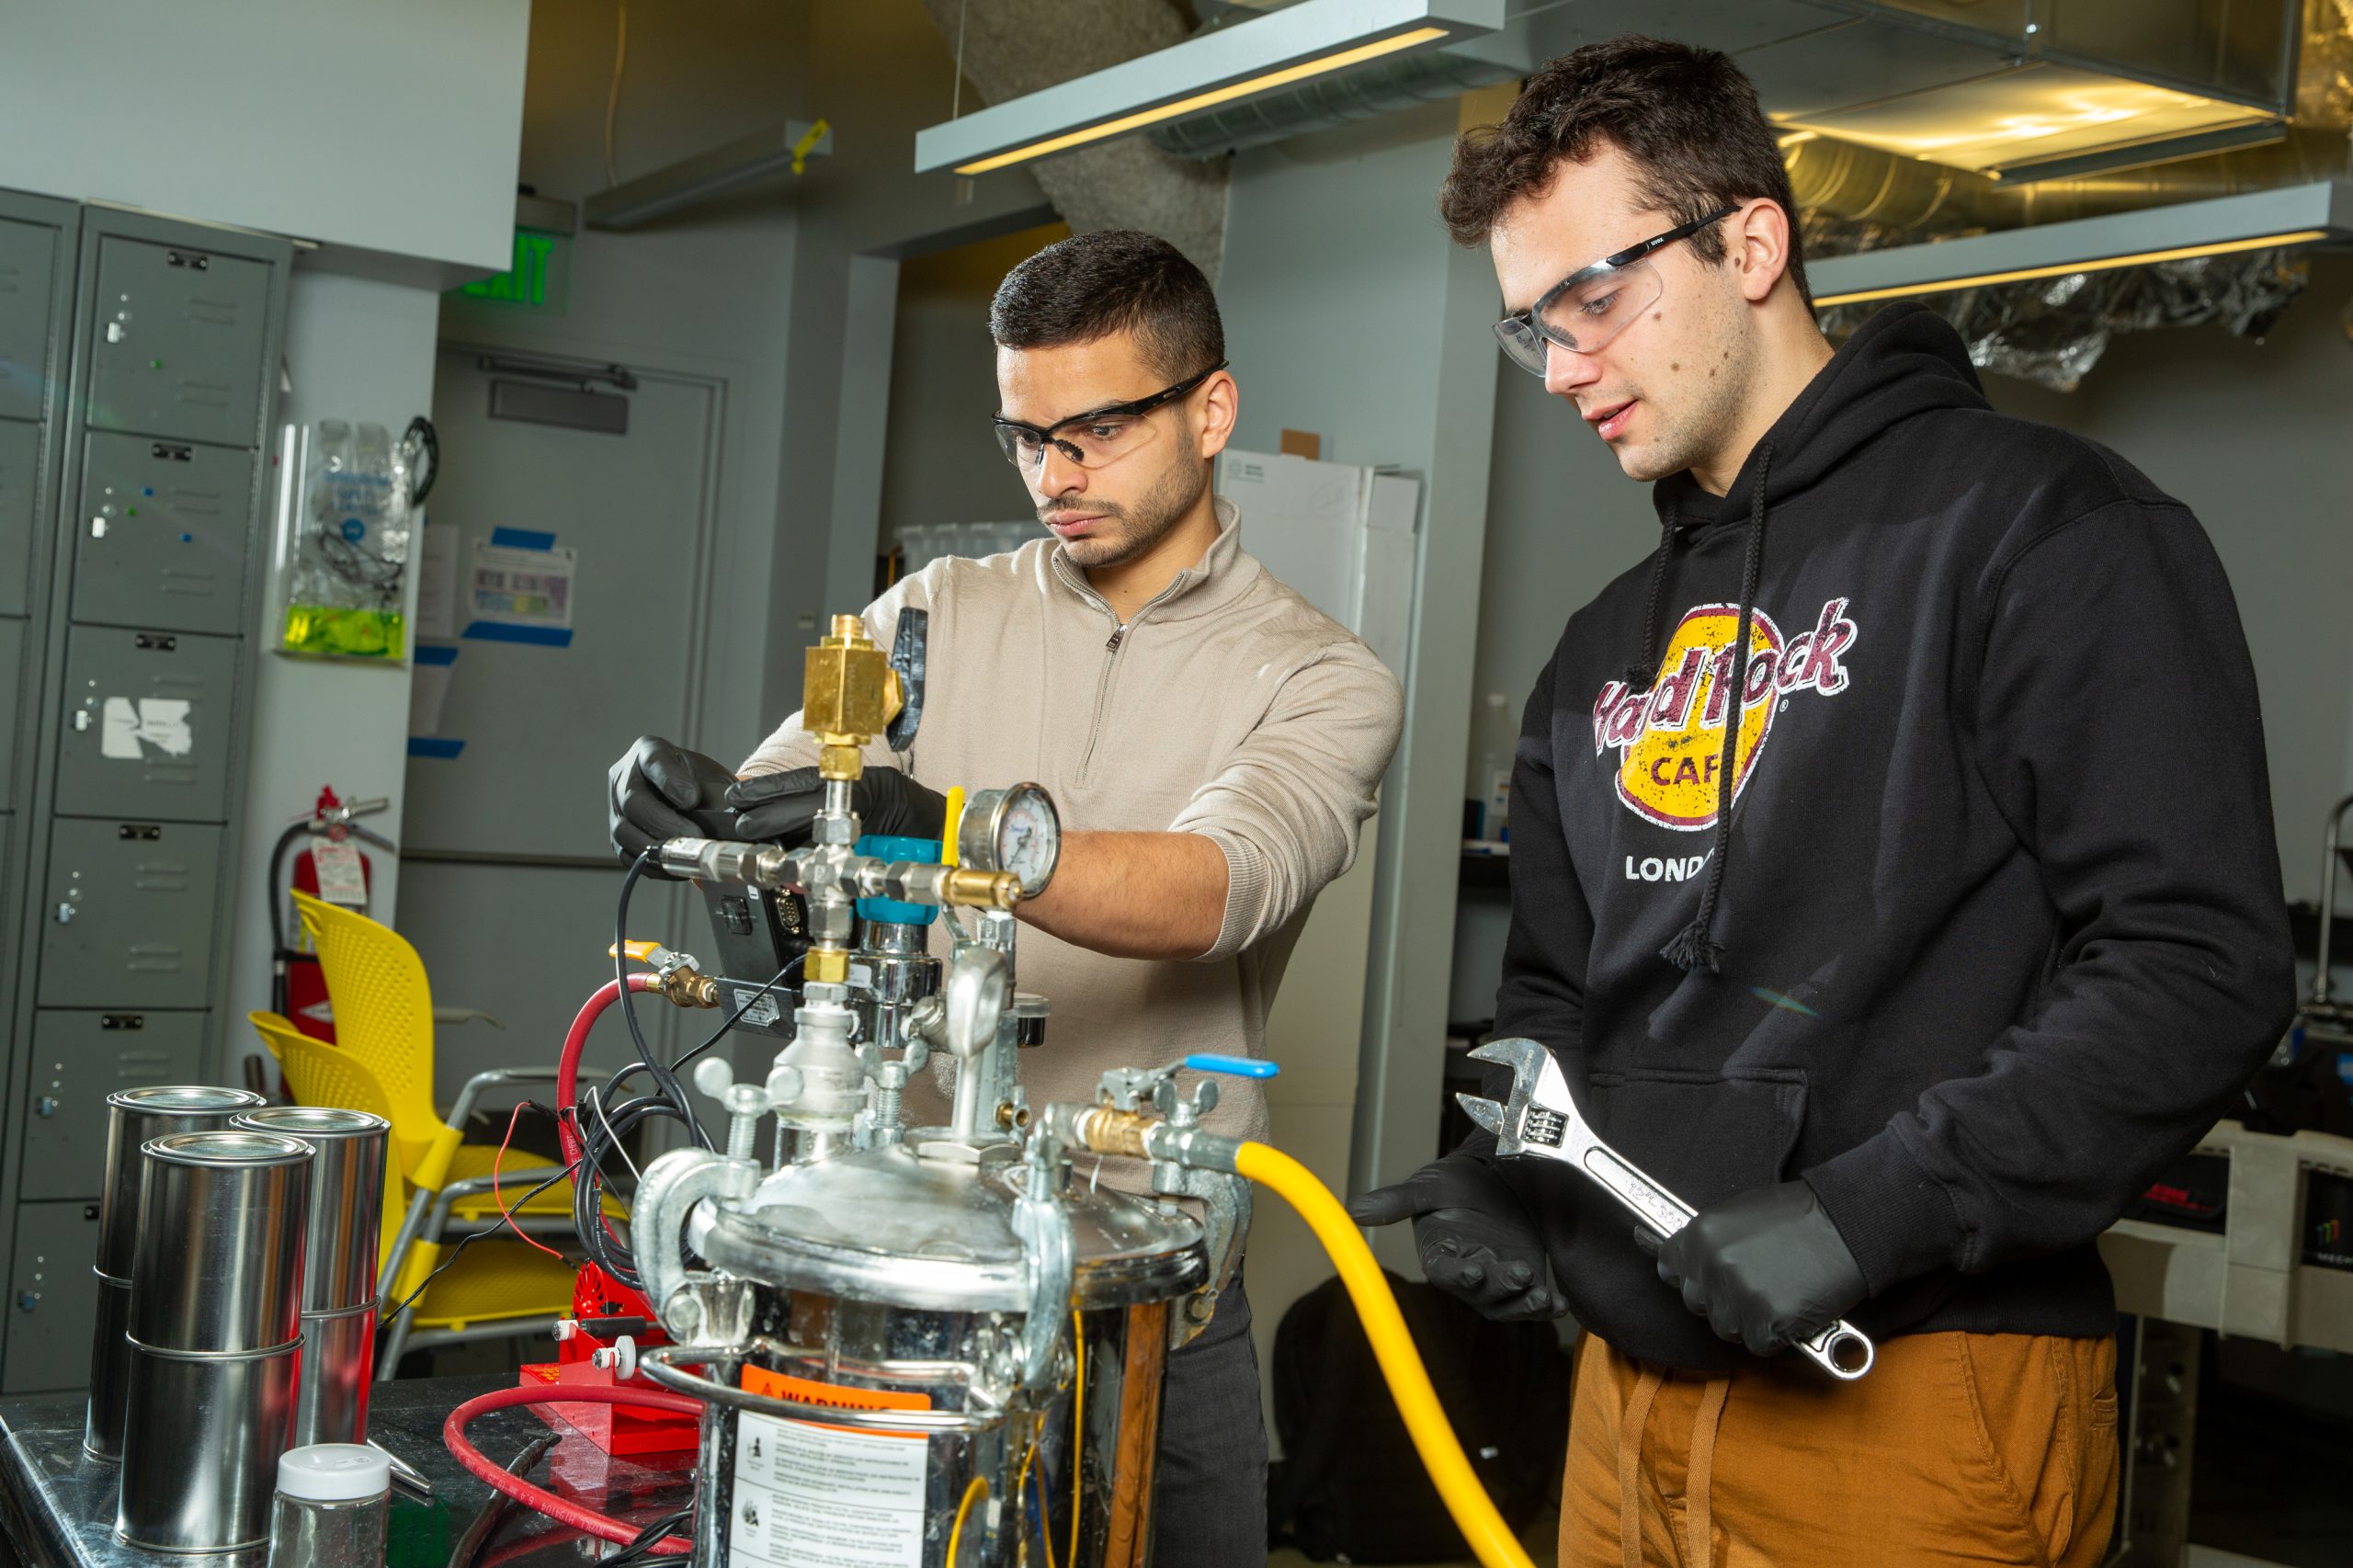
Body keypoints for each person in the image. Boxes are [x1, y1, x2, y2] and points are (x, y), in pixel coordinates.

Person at [1351, 36, 2294, 1568]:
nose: (1565, 367)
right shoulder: (1603, 650)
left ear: (1752, 241)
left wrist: (1873, 1212)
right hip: (1622, 1405)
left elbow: (2198, 962)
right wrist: (1518, 1181)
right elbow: (1558, 995)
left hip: (1919, 1398)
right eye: (1532, 330)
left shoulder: (2041, 532)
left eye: (1594, 298)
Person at [608, 229, 1404, 1564]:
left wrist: (959, 827)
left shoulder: (1321, 675)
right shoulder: (936, 611)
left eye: (1093, 431)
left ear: (1211, 410)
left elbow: (1218, 885)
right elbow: (794, 814)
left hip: (1148, 1286)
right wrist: (699, 815)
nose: (1054, 477)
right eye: (1026, 437)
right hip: (906, 1270)